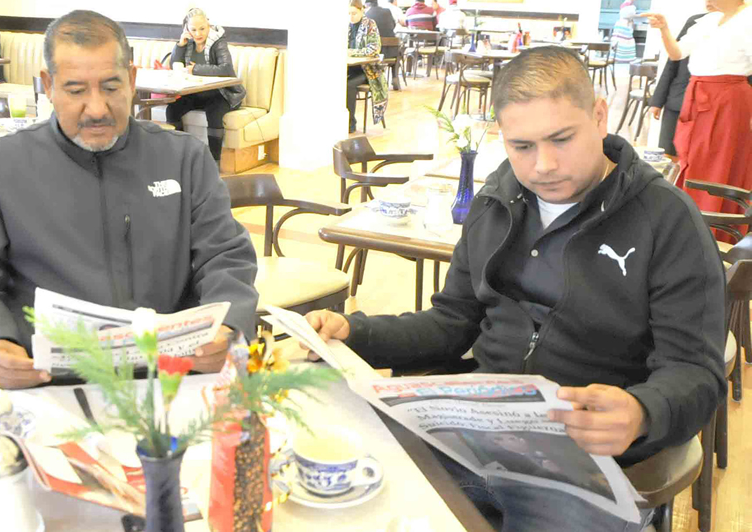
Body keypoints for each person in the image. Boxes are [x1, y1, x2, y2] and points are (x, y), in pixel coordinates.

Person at [306, 46, 726, 531]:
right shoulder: (496, 200)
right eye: (521, 146)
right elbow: (451, 323)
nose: (543, 164)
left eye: (561, 139)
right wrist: (352, 332)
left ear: (600, 115)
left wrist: (642, 411)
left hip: (591, 463)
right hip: (474, 438)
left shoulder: (667, 220)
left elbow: (695, 371)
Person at [0, 10, 259, 389]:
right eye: (75, 90)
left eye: (111, 87)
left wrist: (229, 324)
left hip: (170, 380)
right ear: (48, 86)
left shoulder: (184, 159)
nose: (97, 109)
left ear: (132, 80)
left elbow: (225, 255)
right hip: (47, 384)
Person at [646, 2, 752, 220]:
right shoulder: (709, 20)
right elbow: (677, 53)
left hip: (728, 100)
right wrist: (664, 29)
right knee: (692, 159)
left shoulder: (747, 20)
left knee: (718, 162)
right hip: (697, 95)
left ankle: (715, 225)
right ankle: (687, 220)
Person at [165, 7, 246, 165]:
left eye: (202, 28)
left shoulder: (218, 42)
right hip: (197, 93)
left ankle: (213, 163)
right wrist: (180, 45)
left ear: (208, 25)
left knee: (214, 114)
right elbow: (174, 64)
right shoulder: (188, 42)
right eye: (193, 29)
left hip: (222, 94)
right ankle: (181, 156)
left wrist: (196, 69)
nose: (198, 34)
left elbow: (227, 69)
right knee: (172, 109)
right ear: (187, 29)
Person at [648, 11, 710, 156]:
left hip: (710, 105)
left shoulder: (740, 25)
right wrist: (657, 101)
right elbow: (673, 62)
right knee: (667, 154)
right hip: (677, 100)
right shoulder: (695, 21)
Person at [348, 0, 388, 133]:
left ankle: (350, 123)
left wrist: (353, 52)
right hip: (350, 68)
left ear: (362, 10)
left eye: (353, 13)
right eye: (348, 14)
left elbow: (374, 48)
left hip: (368, 71)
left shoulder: (370, 24)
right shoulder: (346, 26)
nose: (351, 17)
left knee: (347, 85)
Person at [364, 0, 401, 91]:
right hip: (391, 53)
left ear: (366, 4)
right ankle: (395, 76)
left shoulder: (366, 15)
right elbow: (393, 25)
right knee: (398, 51)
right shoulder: (387, 11)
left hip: (375, 54)